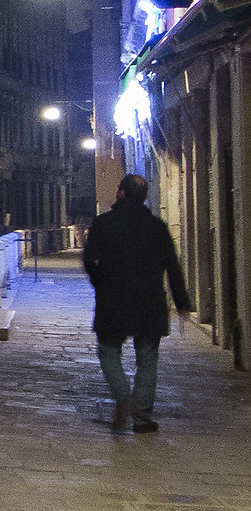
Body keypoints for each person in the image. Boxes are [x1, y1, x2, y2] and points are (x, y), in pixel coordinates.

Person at [82, 174, 191, 432]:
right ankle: (141, 417)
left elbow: (89, 260)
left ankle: (123, 399)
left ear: (120, 194)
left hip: (113, 300)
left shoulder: (103, 224)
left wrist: (101, 283)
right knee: (148, 357)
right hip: (150, 301)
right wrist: (182, 301)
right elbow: (172, 266)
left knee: (108, 351)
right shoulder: (157, 226)